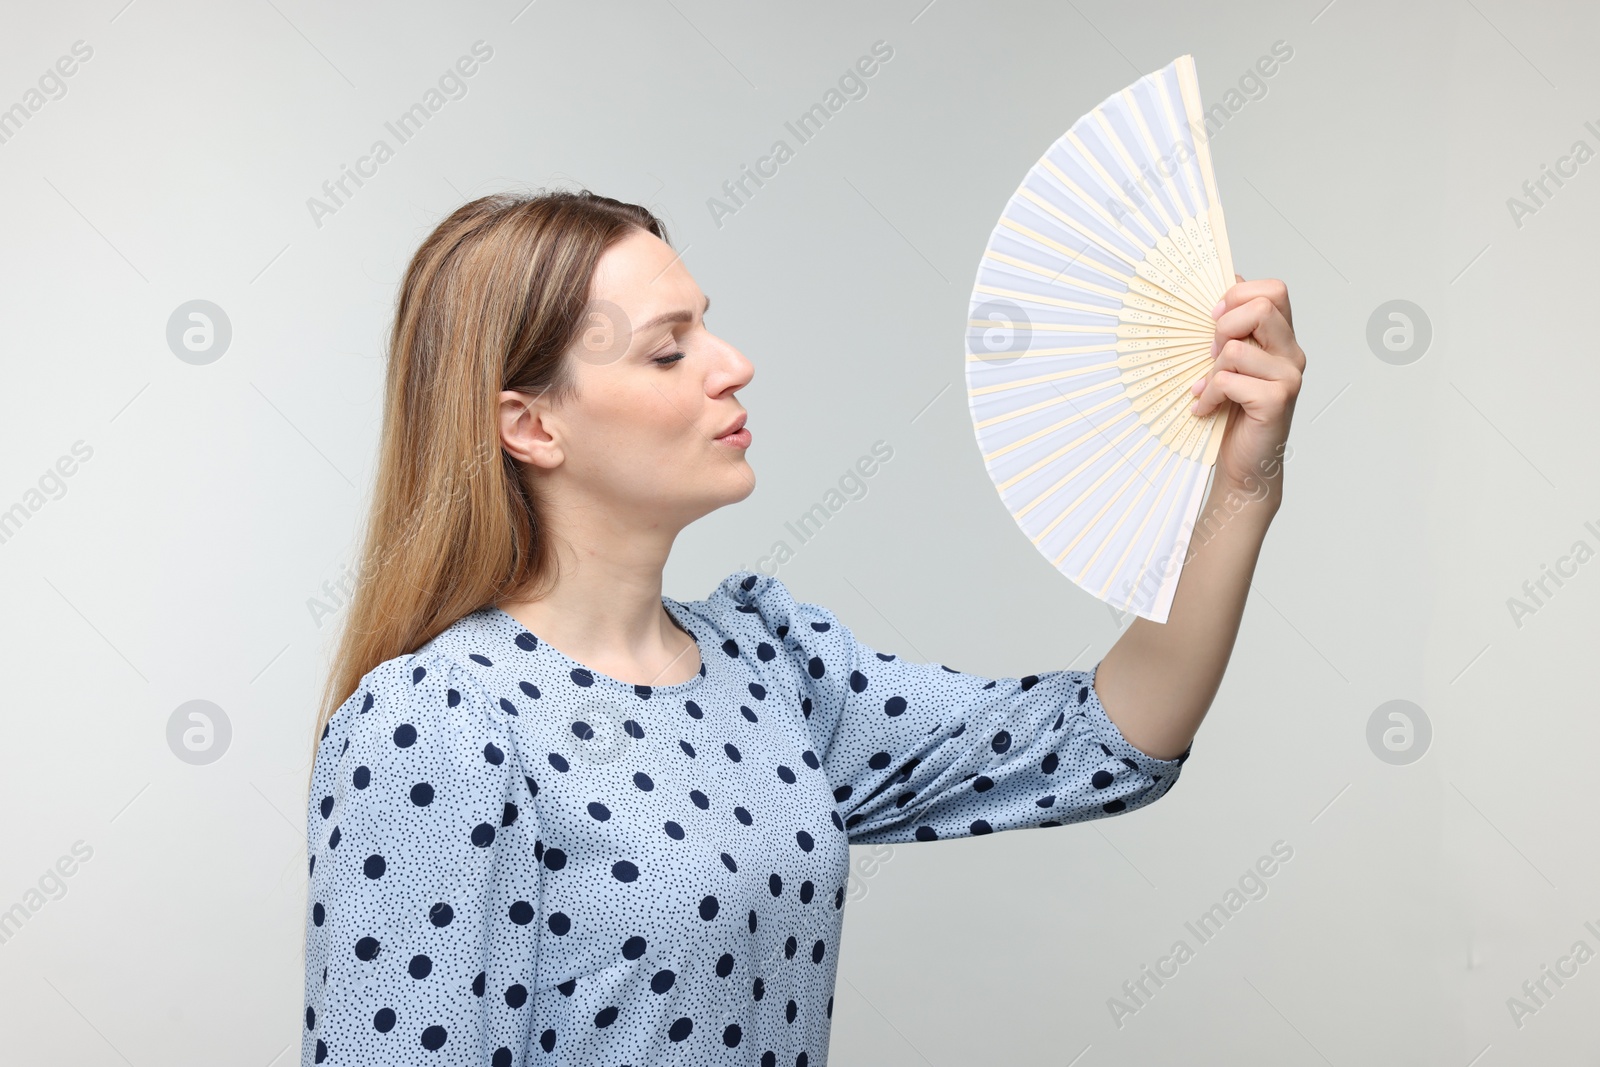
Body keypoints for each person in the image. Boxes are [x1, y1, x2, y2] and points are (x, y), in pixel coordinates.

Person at [298, 189, 1303, 1066]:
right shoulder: (436, 722)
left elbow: (1102, 739)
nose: (733, 365)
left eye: (708, 328)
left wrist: (1241, 485)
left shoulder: (770, 660)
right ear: (531, 426)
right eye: (667, 349)